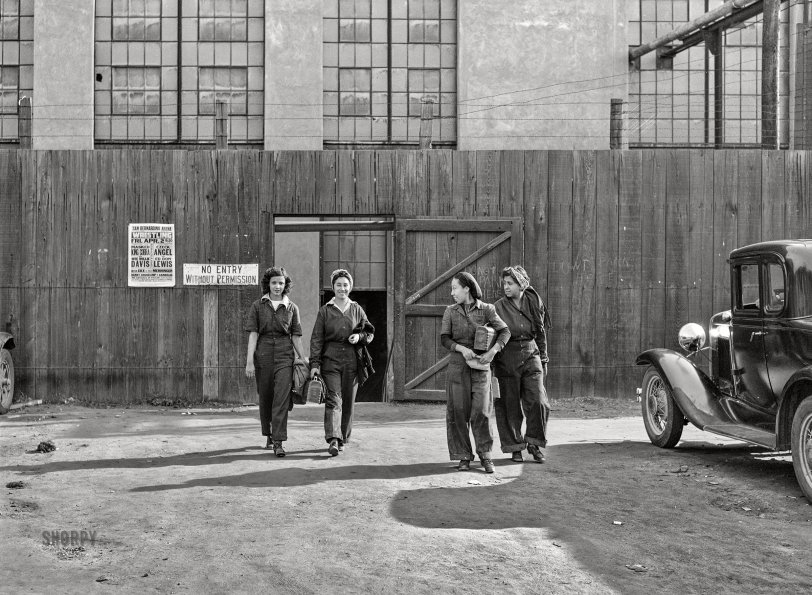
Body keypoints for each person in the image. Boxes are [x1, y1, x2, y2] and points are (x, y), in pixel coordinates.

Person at [440, 271, 510, 473]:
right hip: (458, 367)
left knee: (481, 411)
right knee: (458, 412)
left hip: (481, 368)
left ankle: (486, 456)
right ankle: (463, 456)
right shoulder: (450, 311)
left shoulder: (487, 309)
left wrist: (493, 352)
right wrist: (462, 349)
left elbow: (505, 331)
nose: (452, 293)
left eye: (455, 288)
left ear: (466, 288)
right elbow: (444, 339)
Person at [310, 269, 374, 457]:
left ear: (350, 287)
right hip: (331, 360)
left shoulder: (357, 309)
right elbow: (316, 339)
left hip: (352, 361)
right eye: (338, 285)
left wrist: (359, 336)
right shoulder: (325, 311)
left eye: (345, 285)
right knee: (334, 398)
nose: (342, 288)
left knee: (347, 401)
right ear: (333, 287)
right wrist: (315, 363)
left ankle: (343, 437)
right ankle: (333, 439)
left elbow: (370, 333)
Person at [244, 266, 307, 457]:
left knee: (281, 398)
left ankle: (279, 441)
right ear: (268, 284)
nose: (277, 286)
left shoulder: (292, 308)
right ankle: (268, 434)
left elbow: (296, 337)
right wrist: (249, 362)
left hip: (284, 355)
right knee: (266, 397)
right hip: (262, 354)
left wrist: (303, 360)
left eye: (281, 282)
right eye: (274, 283)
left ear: (285, 285)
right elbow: (253, 335)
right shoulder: (257, 306)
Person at [493, 265, 551, 464]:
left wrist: (543, 358)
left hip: (530, 351)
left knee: (539, 400)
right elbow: (492, 334)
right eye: (504, 283)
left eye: (510, 283)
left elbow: (541, 332)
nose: (506, 287)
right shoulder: (498, 306)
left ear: (521, 284)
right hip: (506, 356)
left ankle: (534, 443)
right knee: (509, 404)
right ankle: (515, 447)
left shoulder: (533, 301)